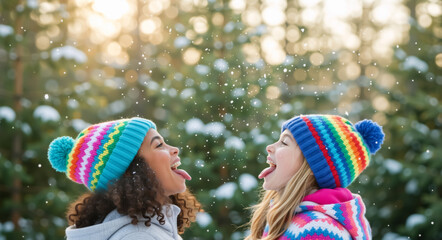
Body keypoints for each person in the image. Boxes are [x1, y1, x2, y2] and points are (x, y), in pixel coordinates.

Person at [47, 117, 201, 239]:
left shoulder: (145, 230)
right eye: (159, 145)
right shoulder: (139, 237)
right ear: (132, 171)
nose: (174, 149)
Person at [246, 114, 384, 240]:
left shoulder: (319, 230)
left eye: (284, 143)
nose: (269, 147)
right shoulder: (281, 216)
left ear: (313, 167)